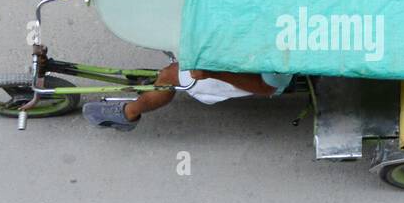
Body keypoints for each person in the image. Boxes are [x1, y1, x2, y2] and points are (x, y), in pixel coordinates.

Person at [82, 62, 294, 131]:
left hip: (240, 75)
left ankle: (129, 113)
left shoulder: (283, 55)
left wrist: (212, 73)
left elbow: (267, 88)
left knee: (170, 76)